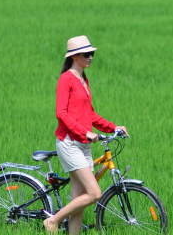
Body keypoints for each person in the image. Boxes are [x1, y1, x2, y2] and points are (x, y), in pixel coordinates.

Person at [43, 35, 127, 234]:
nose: (91, 57)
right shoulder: (66, 79)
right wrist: (85, 132)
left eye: (92, 53)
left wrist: (113, 127)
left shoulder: (83, 79)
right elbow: (61, 113)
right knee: (94, 194)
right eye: (87, 54)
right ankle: (52, 221)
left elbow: (89, 113)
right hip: (69, 144)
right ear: (74, 56)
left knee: (79, 200)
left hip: (83, 144)